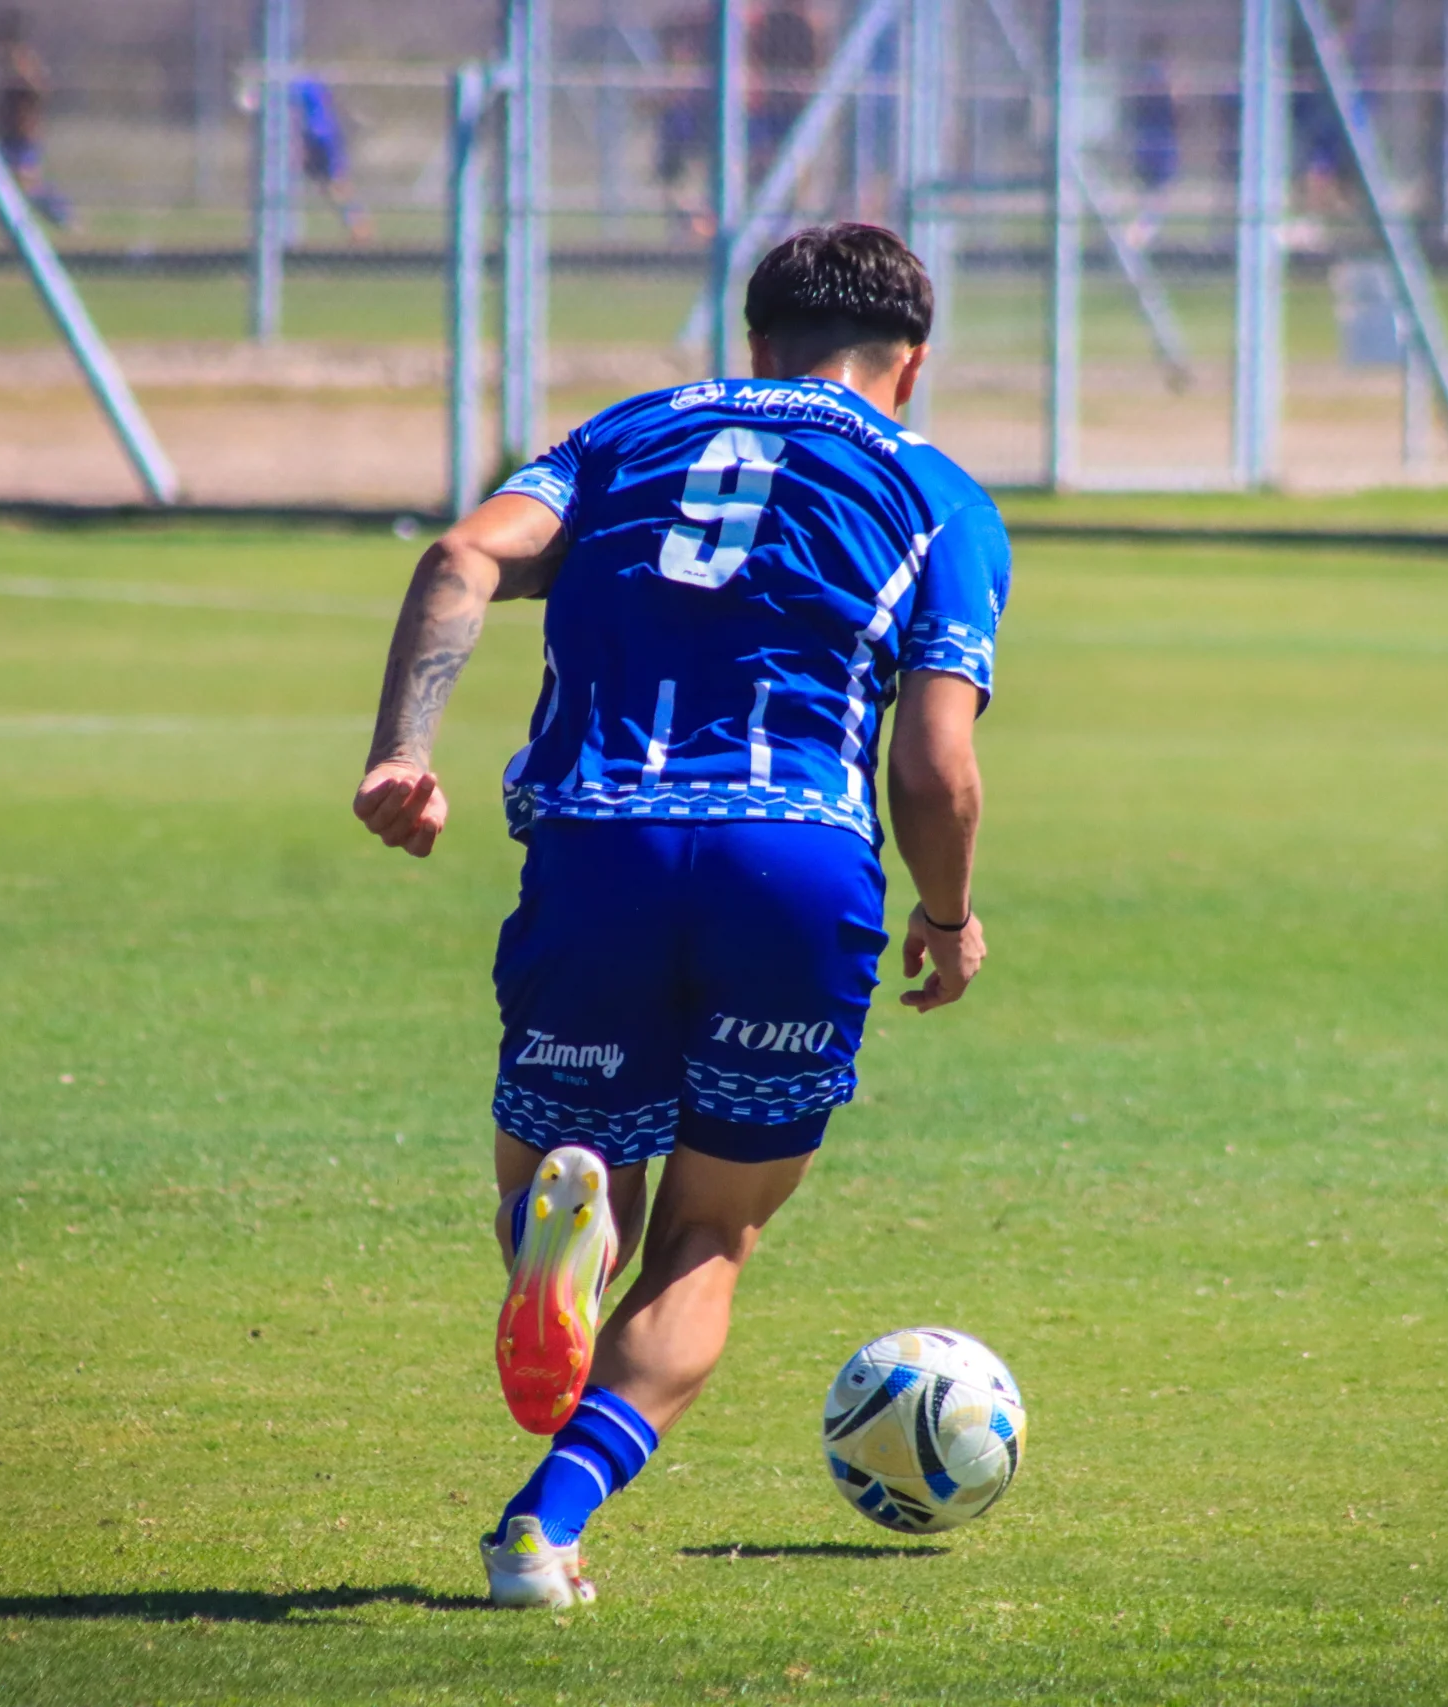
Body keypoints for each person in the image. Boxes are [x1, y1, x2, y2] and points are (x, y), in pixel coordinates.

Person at [351, 224, 1010, 1610]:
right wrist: (947, 917)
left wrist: (405, 748)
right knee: (711, 1235)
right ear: (913, 364)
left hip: (601, 840)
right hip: (798, 859)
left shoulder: (622, 436)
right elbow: (933, 764)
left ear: (755, 341)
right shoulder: (936, 487)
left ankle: (561, 1228)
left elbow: (463, 556)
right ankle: (541, 1529)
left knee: (567, 1163)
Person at [0, 10, 70, 227]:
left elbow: (39, 90)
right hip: (10, 133)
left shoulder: (22, 60)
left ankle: (62, 214)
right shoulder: (9, 62)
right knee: (9, 181)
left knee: (26, 182)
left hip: (23, 133)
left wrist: (22, 83)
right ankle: (13, 223)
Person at [292, 73, 374, 241]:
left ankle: (360, 228)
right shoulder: (307, 83)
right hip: (321, 137)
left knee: (337, 185)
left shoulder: (298, 84)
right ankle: (357, 227)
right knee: (330, 186)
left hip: (321, 138)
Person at [652, 13, 713, 239]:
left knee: (699, 179)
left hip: (698, 124)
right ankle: (686, 228)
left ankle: (700, 226)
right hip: (680, 125)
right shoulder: (675, 107)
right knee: (675, 179)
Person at [749, 1, 821, 190]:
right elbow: (755, 55)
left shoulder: (803, 25)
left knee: (794, 157)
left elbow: (812, 59)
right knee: (761, 153)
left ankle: (785, 195)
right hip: (767, 105)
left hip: (794, 105)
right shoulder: (767, 21)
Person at [1122, 35, 1182, 251]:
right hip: (1160, 141)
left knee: (1150, 192)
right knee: (1160, 192)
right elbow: (1173, 108)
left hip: (1145, 139)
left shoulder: (1140, 76)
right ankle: (1138, 234)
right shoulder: (1161, 77)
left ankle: (1140, 232)